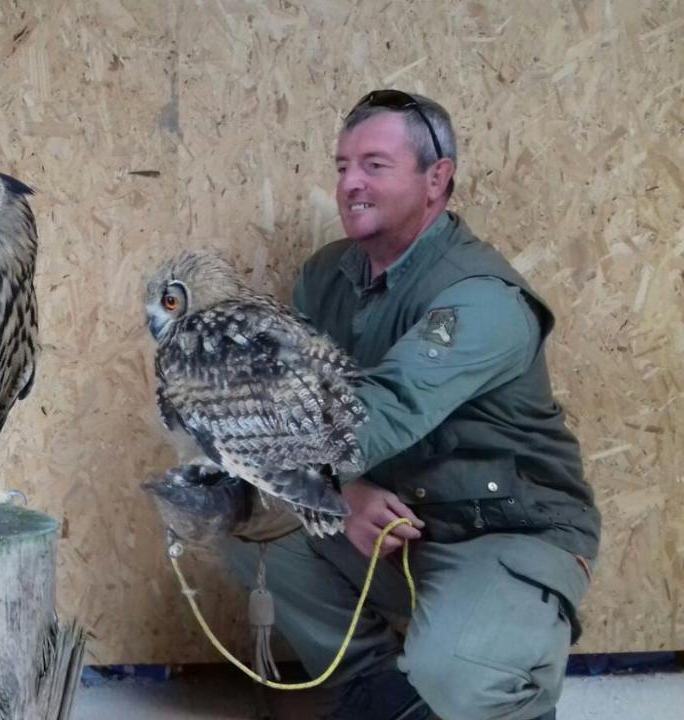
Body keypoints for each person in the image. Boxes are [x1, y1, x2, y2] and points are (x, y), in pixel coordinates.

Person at [219, 90, 601, 720]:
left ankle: (512, 691)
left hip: (503, 532)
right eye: (342, 166)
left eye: (375, 165)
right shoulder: (326, 276)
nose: (350, 184)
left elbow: (380, 412)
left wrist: (296, 462)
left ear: (436, 179)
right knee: (235, 515)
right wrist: (344, 497)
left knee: (454, 671)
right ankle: (378, 695)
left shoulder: (482, 301)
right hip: (396, 523)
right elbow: (296, 401)